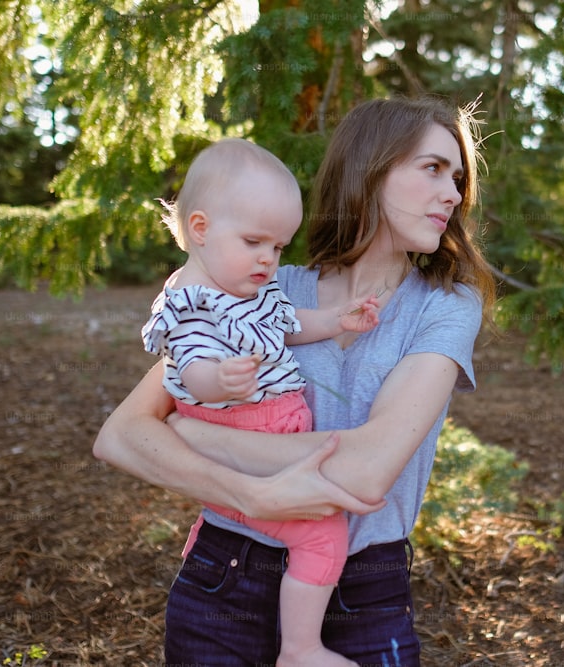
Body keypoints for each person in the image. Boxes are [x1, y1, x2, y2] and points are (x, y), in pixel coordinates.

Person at [94, 96, 498, 666]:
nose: (453, 194)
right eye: (432, 168)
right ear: (371, 169)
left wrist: (197, 435)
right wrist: (250, 493)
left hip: (364, 591)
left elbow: (365, 471)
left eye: (457, 178)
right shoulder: (259, 285)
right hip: (225, 578)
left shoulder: (445, 306)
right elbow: (120, 435)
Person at [141, 138, 380, 667]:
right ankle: (300, 649)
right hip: (244, 440)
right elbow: (190, 369)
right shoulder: (192, 300)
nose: (268, 259)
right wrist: (219, 382)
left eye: (278, 247)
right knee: (322, 539)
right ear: (199, 229)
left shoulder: (253, 291)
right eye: (254, 241)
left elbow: (290, 327)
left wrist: (338, 319)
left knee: (324, 516)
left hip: (273, 435)